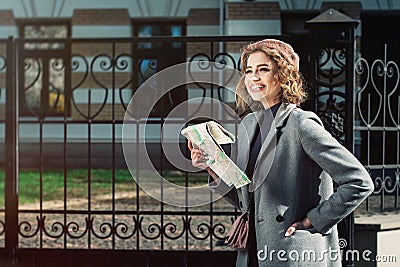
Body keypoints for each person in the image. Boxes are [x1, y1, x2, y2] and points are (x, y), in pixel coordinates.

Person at [188, 38, 374, 267]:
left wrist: (312, 221)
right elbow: (247, 200)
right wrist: (210, 166)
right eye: (249, 70)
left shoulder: (301, 124)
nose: (254, 77)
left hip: (293, 252)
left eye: (263, 69)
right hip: (253, 253)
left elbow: (359, 181)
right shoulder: (249, 125)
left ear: (283, 75)